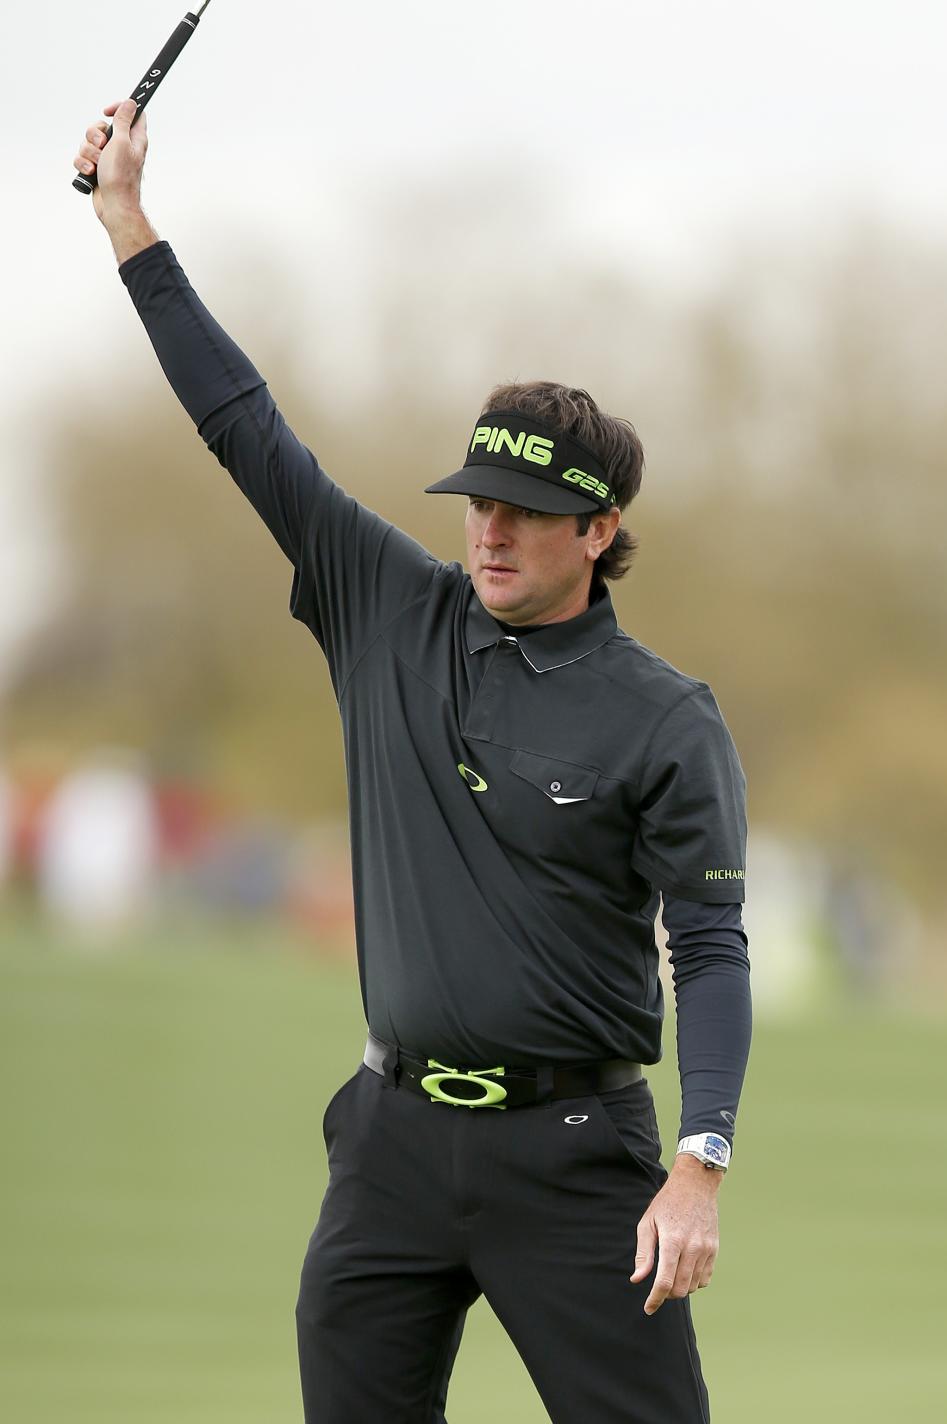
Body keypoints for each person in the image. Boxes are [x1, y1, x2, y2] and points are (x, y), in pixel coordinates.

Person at [74, 101, 752, 1424]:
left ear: (602, 532)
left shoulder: (665, 716)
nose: (490, 532)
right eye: (480, 503)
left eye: (530, 515)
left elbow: (713, 948)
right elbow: (243, 425)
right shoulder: (386, 602)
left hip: (575, 1156)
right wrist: (129, 224)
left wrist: (701, 1164)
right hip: (391, 1144)